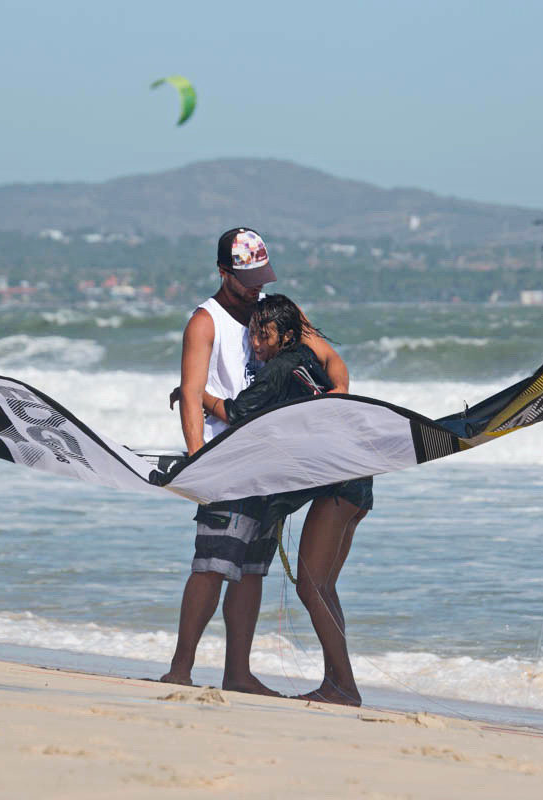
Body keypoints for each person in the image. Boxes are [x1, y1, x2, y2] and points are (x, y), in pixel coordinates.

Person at [159, 228, 348, 695]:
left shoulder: (279, 313)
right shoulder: (205, 322)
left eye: (261, 276)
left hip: (272, 467)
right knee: (212, 564)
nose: (255, 286)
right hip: (228, 462)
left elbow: (335, 365)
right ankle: (180, 669)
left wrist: (334, 405)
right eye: (246, 278)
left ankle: (237, 674)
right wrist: (197, 458)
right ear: (223, 272)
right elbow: (190, 395)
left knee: (251, 569)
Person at [191, 294, 373, 706]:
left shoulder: (279, 367)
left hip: (338, 482)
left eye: (264, 335)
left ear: (286, 335)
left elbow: (235, 413)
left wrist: (194, 393)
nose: (255, 342)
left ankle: (344, 687)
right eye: (252, 333)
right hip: (358, 477)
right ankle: (339, 683)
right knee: (324, 586)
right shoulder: (308, 358)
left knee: (312, 587)